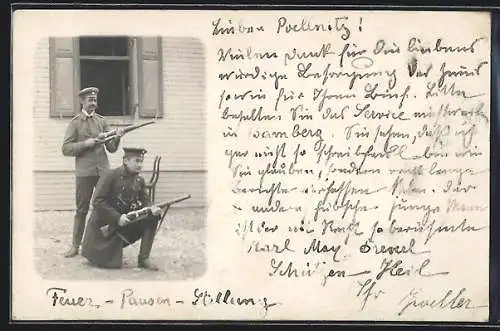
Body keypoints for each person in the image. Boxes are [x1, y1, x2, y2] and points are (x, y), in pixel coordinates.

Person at [61, 87, 125, 258]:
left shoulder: (102, 121)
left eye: (95, 99)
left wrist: (117, 136)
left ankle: (105, 245)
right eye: (90, 99)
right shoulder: (75, 123)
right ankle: (75, 246)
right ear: (82, 101)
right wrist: (86, 144)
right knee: (81, 210)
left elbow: (111, 148)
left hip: (103, 172)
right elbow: (65, 148)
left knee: (106, 207)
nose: (93, 102)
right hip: (84, 173)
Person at [81, 147, 163, 270]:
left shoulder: (139, 180)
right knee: (106, 263)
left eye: (141, 161)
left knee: (152, 217)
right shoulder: (111, 175)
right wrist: (117, 217)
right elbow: (97, 201)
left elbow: (145, 200)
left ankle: (143, 259)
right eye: (137, 161)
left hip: (122, 224)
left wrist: (152, 208)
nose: (140, 165)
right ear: (126, 161)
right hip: (103, 228)